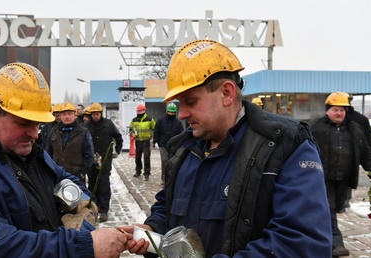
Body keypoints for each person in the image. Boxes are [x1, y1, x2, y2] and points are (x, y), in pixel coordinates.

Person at [120, 39, 332, 257]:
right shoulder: (184, 150)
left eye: (190, 101)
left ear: (227, 93)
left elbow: (303, 243)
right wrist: (153, 229)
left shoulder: (286, 146)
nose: (181, 113)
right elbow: (168, 205)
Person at [0, 62, 128, 258]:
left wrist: (80, 205)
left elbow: (68, 181)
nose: (34, 134)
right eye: (24, 123)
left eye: (38, 125)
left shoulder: (34, 157)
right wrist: (81, 246)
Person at [310, 91, 371, 257]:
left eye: (342, 110)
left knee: (338, 207)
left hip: (344, 179)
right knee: (329, 210)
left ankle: (317, 233)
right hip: (323, 178)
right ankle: (336, 245)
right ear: (327, 111)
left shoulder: (355, 128)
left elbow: (366, 152)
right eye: (335, 109)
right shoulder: (315, 127)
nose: (339, 113)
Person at [86, 102, 123, 222]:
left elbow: (118, 137)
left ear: (101, 114)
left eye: (97, 114)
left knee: (104, 183)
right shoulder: (86, 126)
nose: (95, 116)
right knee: (92, 184)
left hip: (105, 159)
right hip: (91, 160)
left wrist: (117, 151)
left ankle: (104, 209)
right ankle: (93, 207)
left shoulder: (108, 124)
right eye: (93, 114)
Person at [48, 101, 94, 185]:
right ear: (60, 116)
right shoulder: (54, 131)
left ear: (74, 115)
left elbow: (89, 155)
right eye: (64, 114)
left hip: (76, 176)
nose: (66, 117)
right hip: (58, 176)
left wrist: (82, 173)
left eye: (69, 114)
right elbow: (48, 153)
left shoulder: (83, 132)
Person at [153, 103, 184, 185]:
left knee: (172, 162)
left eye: (173, 112)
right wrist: (155, 141)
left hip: (174, 146)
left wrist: (180, 143)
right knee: (164, 161)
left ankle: (171, 178)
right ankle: (164, 178)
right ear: (167, 111)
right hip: (163, 144)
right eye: (170, 112)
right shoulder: (161, 121)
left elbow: (181, 134)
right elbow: (156, 131)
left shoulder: (178, 123)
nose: (171, 114)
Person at [129, 104, 155, 181]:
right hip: (138, 141)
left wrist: (151, 136)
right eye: (138, 111)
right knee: (137, 157)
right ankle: (138, 171)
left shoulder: (150, 120)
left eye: (140, 111)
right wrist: (132, 133)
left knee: (146, 157)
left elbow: (154, 128)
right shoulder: (134, 120)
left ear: (144, 111)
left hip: (146, 141)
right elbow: (130, 129)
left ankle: (147, 173)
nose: (139, 112)